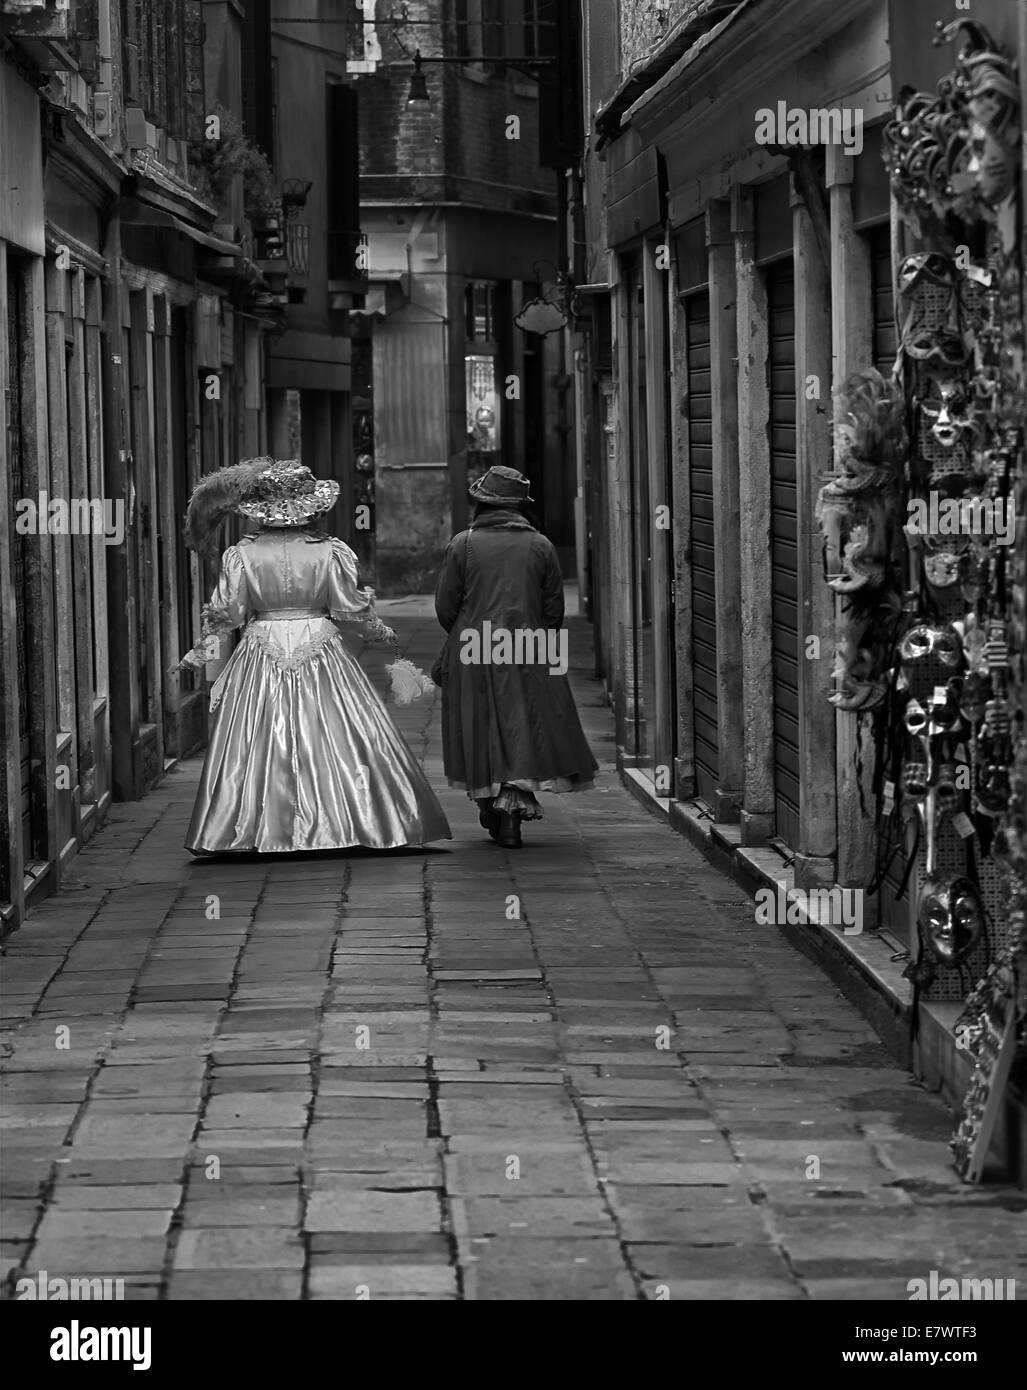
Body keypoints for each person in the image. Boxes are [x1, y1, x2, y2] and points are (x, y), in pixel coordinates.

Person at [175, 457, 451, 855]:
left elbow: (227, 615)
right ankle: (355, 820)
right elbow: (351, 611)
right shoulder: (330, 552)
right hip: (321, 645)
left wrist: (197, 655)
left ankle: (253, 828)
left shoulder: (241, 556)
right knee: (342, 730)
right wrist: (383, 634)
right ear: (310, 508)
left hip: (261, 646)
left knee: (257, 735)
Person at [434, 465, 597, 848]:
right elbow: (553, 609)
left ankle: (493, 802)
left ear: (480, 504)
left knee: (482, 723)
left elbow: (446, 605)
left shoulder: (463, 543)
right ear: (521, 507)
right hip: (529, 646)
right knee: (522, 723)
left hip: (473, 645)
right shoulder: (541, 545)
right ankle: (512, 810)